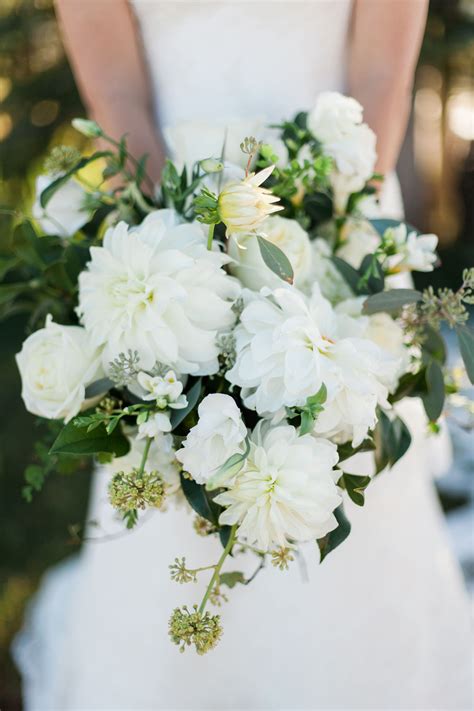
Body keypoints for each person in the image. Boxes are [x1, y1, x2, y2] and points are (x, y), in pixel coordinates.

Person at [14, 2, 472, 709]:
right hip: (168, 241)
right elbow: (119, 95)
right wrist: (189, 257)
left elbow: (380, 79)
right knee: (176, 509)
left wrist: (317, 258)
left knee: (349, 502)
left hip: (337, 225)